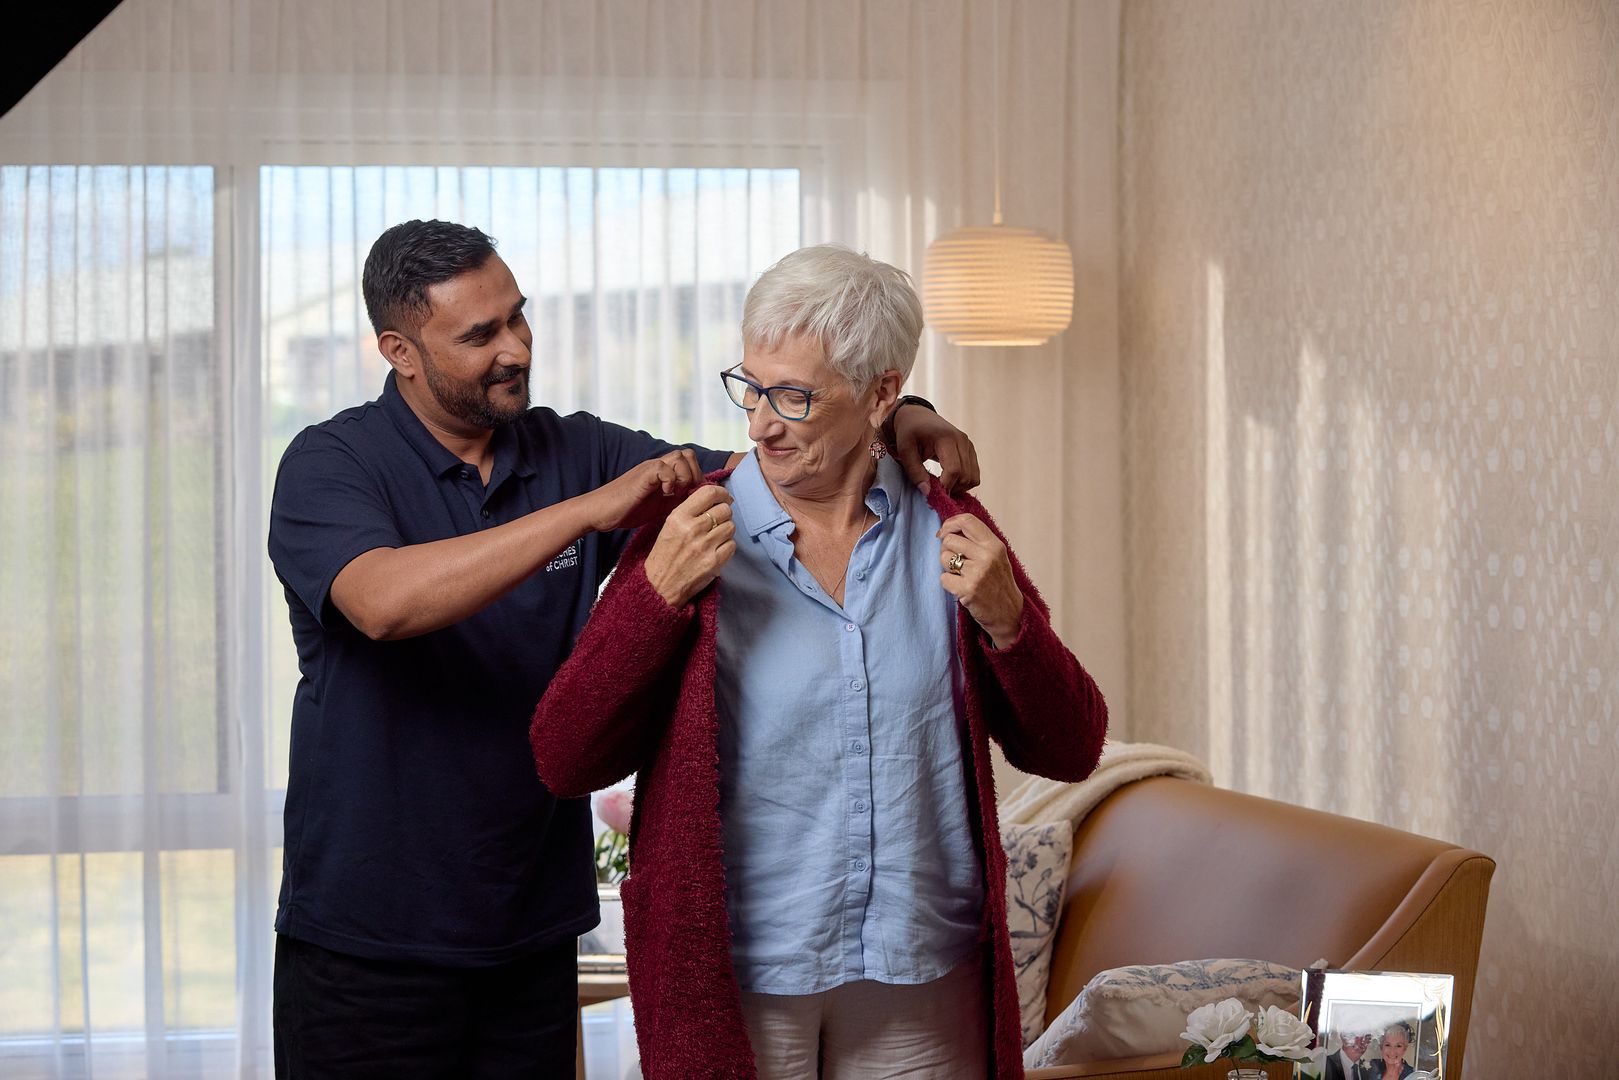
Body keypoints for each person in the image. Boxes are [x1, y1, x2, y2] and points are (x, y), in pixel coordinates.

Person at [266, 220, 981, 1077]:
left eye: (518, 318)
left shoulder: (572, 447)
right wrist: (587, 512)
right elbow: (381, 603)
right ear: (399, 350)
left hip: (529, 924)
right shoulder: (330, 461)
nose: (515, 349)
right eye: (479, 334)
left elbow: (778, 458)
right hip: (366, 939)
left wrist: (891, 411)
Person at [530, 244, 1108, 1079]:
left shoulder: (947, 528)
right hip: (735, 978)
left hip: (921, 975)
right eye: (751, 386)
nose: (760, 421)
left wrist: (1010, 623)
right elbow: (563, 754)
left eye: (794, 396)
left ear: (882, 393)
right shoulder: (686, 531)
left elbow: (1069, 748)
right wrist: (654, 599)